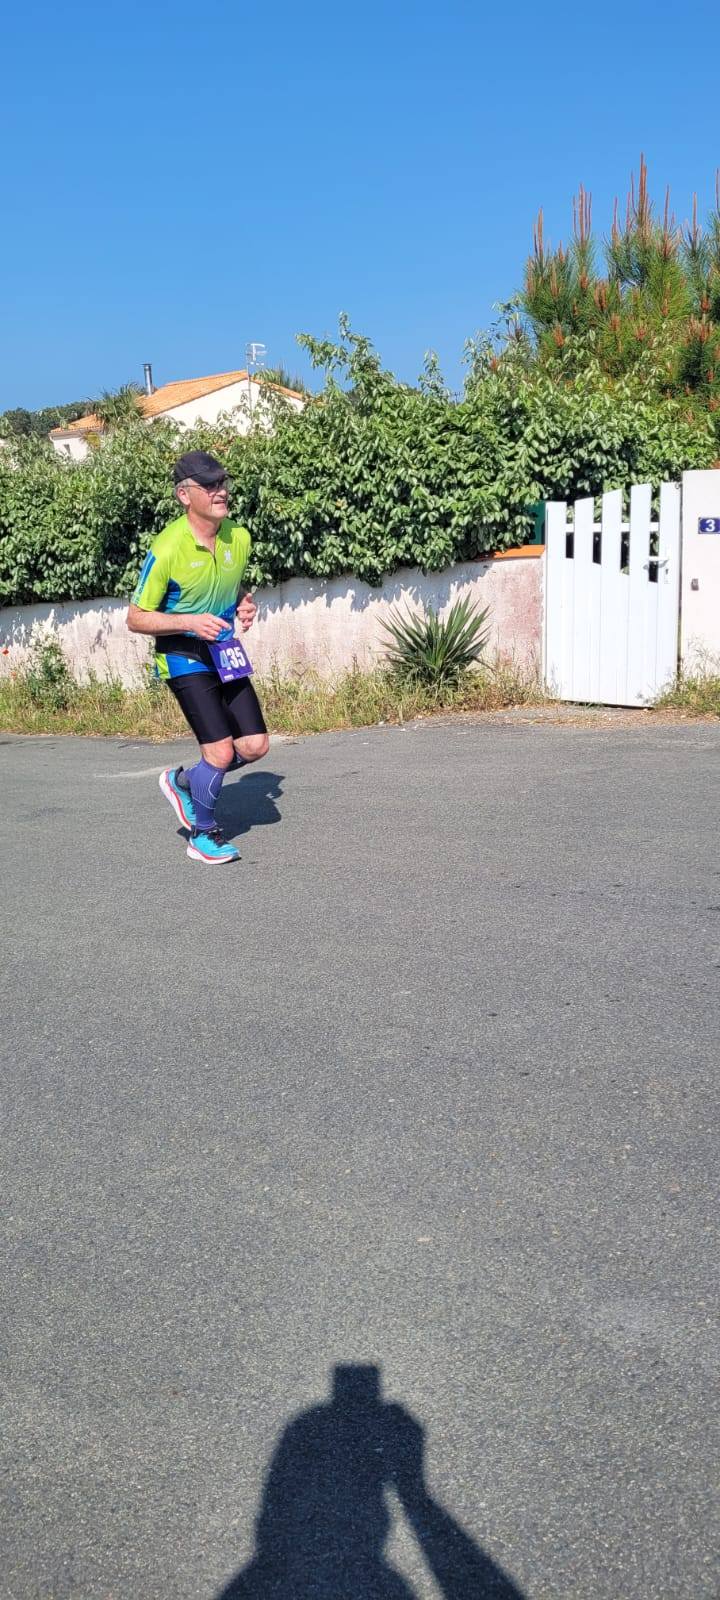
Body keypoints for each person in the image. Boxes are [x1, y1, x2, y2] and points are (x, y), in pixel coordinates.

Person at [126, 450, 269, 863]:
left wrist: (243, 601)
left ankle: (185, 782)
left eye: (222, 482)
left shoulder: (238, 537)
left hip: (224, 651)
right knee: (220, 752)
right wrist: (188, 621)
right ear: (184, 495)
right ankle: (203, 835)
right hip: (183, 655)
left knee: (255, 745)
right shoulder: (168, 546)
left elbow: (227, 583)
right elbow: (136, 617)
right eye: (208, 485)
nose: (219, 491)